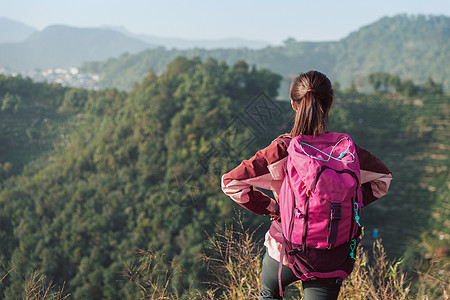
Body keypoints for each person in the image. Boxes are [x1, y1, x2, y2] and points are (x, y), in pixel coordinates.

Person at [221, 70, 392, 299]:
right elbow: (383, 180)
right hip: (331, 256)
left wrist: (274, 208)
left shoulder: (282, 150)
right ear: (330, 103)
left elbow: (232, 183)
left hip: (284, 250)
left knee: (269, 293)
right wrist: (346, 202)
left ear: (293, 104)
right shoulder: (347, 153)